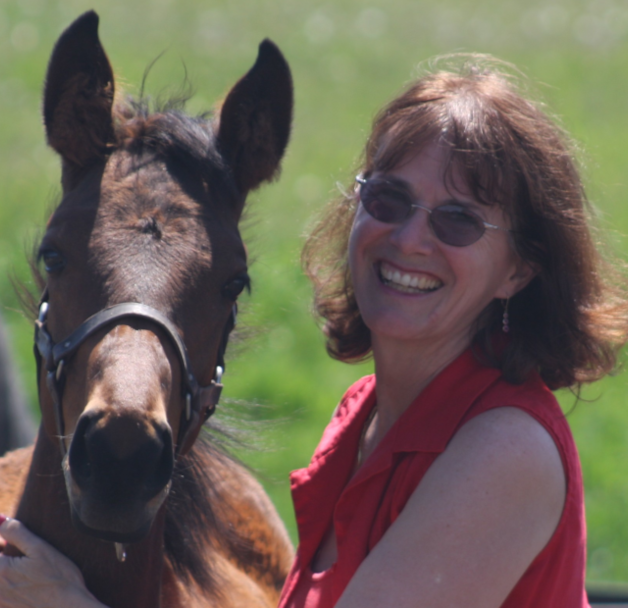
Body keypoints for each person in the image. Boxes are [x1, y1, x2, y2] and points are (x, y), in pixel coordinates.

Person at [1, 54, 627, 608]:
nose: (410, 239)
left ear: (518, 270)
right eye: (389, 200)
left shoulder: (506, 453)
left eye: (459, 221)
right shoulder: (361, 421)